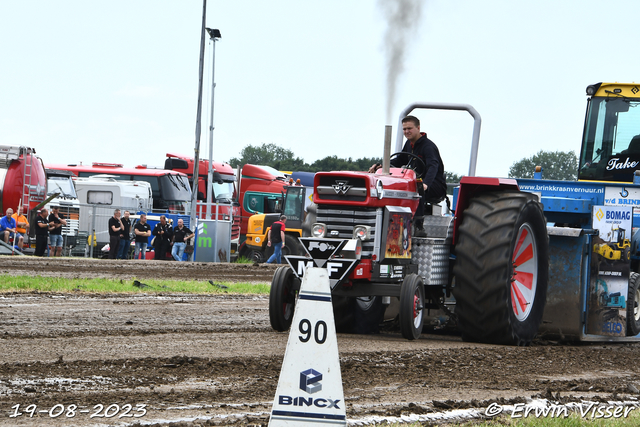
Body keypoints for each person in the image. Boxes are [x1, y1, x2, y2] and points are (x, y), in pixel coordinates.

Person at [369, 115, 447, 237]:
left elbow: (433, 166)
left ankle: (418, 226)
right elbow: (399, 160)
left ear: (418, 128)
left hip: (434, 185)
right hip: (417, 181)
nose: (406, 132)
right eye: (404, 129)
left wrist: (426, 184)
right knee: (403, 187)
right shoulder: (409, 145)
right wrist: (382, 166)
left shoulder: (428, 146)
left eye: (409, 128)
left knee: (417, 188)